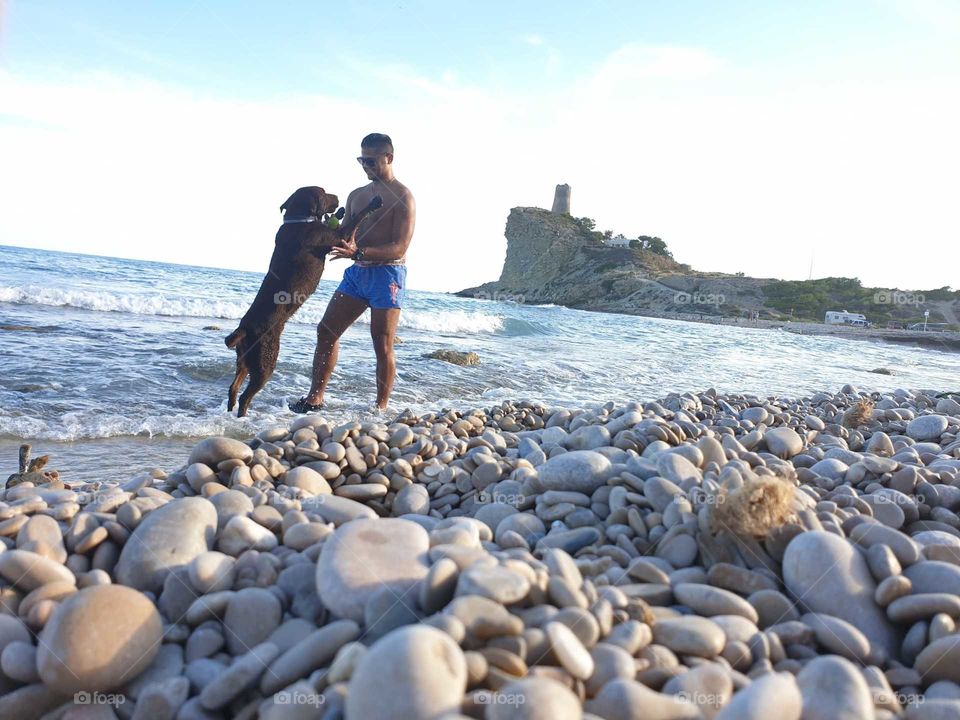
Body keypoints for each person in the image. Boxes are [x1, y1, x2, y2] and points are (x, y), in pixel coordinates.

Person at [289, 133, 415, 412]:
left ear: (388, 158)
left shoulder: (403, 197)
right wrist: (321, 231)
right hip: (357, 274)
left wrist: (359, 252)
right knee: (326, 331)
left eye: (371, 161)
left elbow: (400, 246)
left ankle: (380, 408)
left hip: (388, 275)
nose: (365, 166)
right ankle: (314, 399)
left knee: (382, 343)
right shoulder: (357, 195)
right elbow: (345, 234)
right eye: (361, 160)